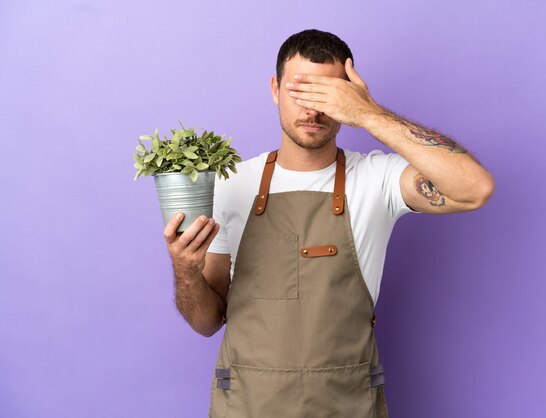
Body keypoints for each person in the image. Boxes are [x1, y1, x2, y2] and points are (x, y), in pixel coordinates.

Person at [163, 29, 494, 418]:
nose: (313, 110)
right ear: (274, 89)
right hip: (248, 406)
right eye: (300, 92)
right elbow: (207, 322)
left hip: (347, 405)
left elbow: (475, 188)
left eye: (328, 96)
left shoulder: (377, 179)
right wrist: (186, 273)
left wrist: (369, 114)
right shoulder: (231, 183)